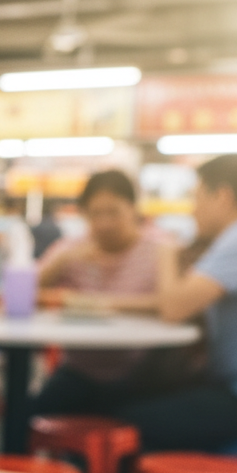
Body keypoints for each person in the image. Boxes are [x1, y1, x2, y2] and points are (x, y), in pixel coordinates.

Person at [87, 154, 237, 451]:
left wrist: (166, 254)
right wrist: (107, 304)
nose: (193, 209)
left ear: (223, 197)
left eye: (197, 197)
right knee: (124, 395)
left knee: (130, 420)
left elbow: (174, 308)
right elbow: (175, 302)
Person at [33, 171, 181, 416]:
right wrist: (62, 261)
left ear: (133, 209)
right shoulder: (72, 248)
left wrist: (103, 303)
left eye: (113, 212)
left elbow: (171, 303)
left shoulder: (160, 248)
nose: (104, 223)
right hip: (78, 369)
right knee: (27, 417)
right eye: (95, 214)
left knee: (127, 424)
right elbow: (25, 294)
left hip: (138, 372)